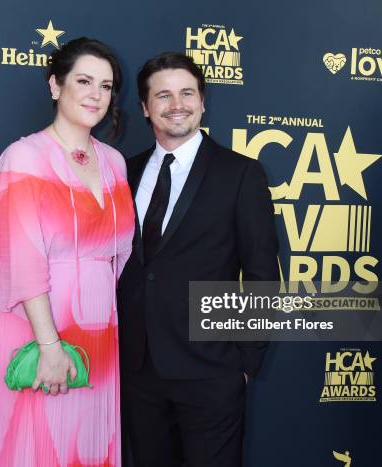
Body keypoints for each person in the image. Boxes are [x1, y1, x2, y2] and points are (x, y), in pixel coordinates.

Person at [0, 38, 135, 467]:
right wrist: (50, 345)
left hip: (96, 329)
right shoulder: (23, 158)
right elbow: (20, 259)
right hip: (34, 327)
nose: (96, 94)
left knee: (84, 448)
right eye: (84, 81)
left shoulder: (114, 162)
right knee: (30, 447)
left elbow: (118, 256)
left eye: (106, 85)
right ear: (55, 86)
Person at [117, 52, 279, 467]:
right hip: (138, 371)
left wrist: (244, 362)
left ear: (203, 102)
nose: (177, 104)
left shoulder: (241, 173)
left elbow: (261, 272)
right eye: (164, 95)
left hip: (212, 370)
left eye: (187, 93)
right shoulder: (123, 172)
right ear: (144, 107)